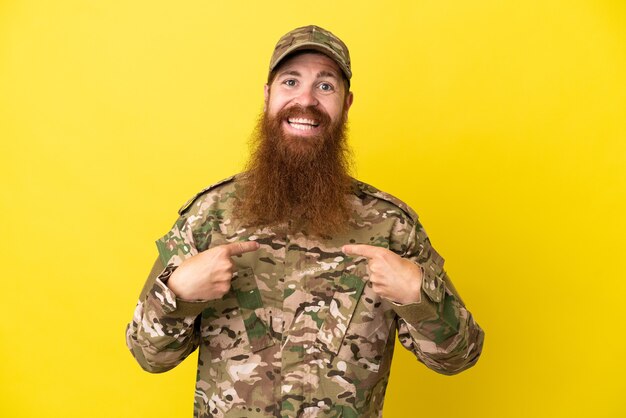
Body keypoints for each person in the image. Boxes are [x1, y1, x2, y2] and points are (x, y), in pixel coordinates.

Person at [126, 25, 485, 418]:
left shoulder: (390, 225)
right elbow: (148, 356)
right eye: (290, 81)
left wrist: (417, 295)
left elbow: (458, 357)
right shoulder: (208, 216)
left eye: (325, 86)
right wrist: (178, 293)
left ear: (346, 104)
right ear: (267, 95)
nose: (306, 100)